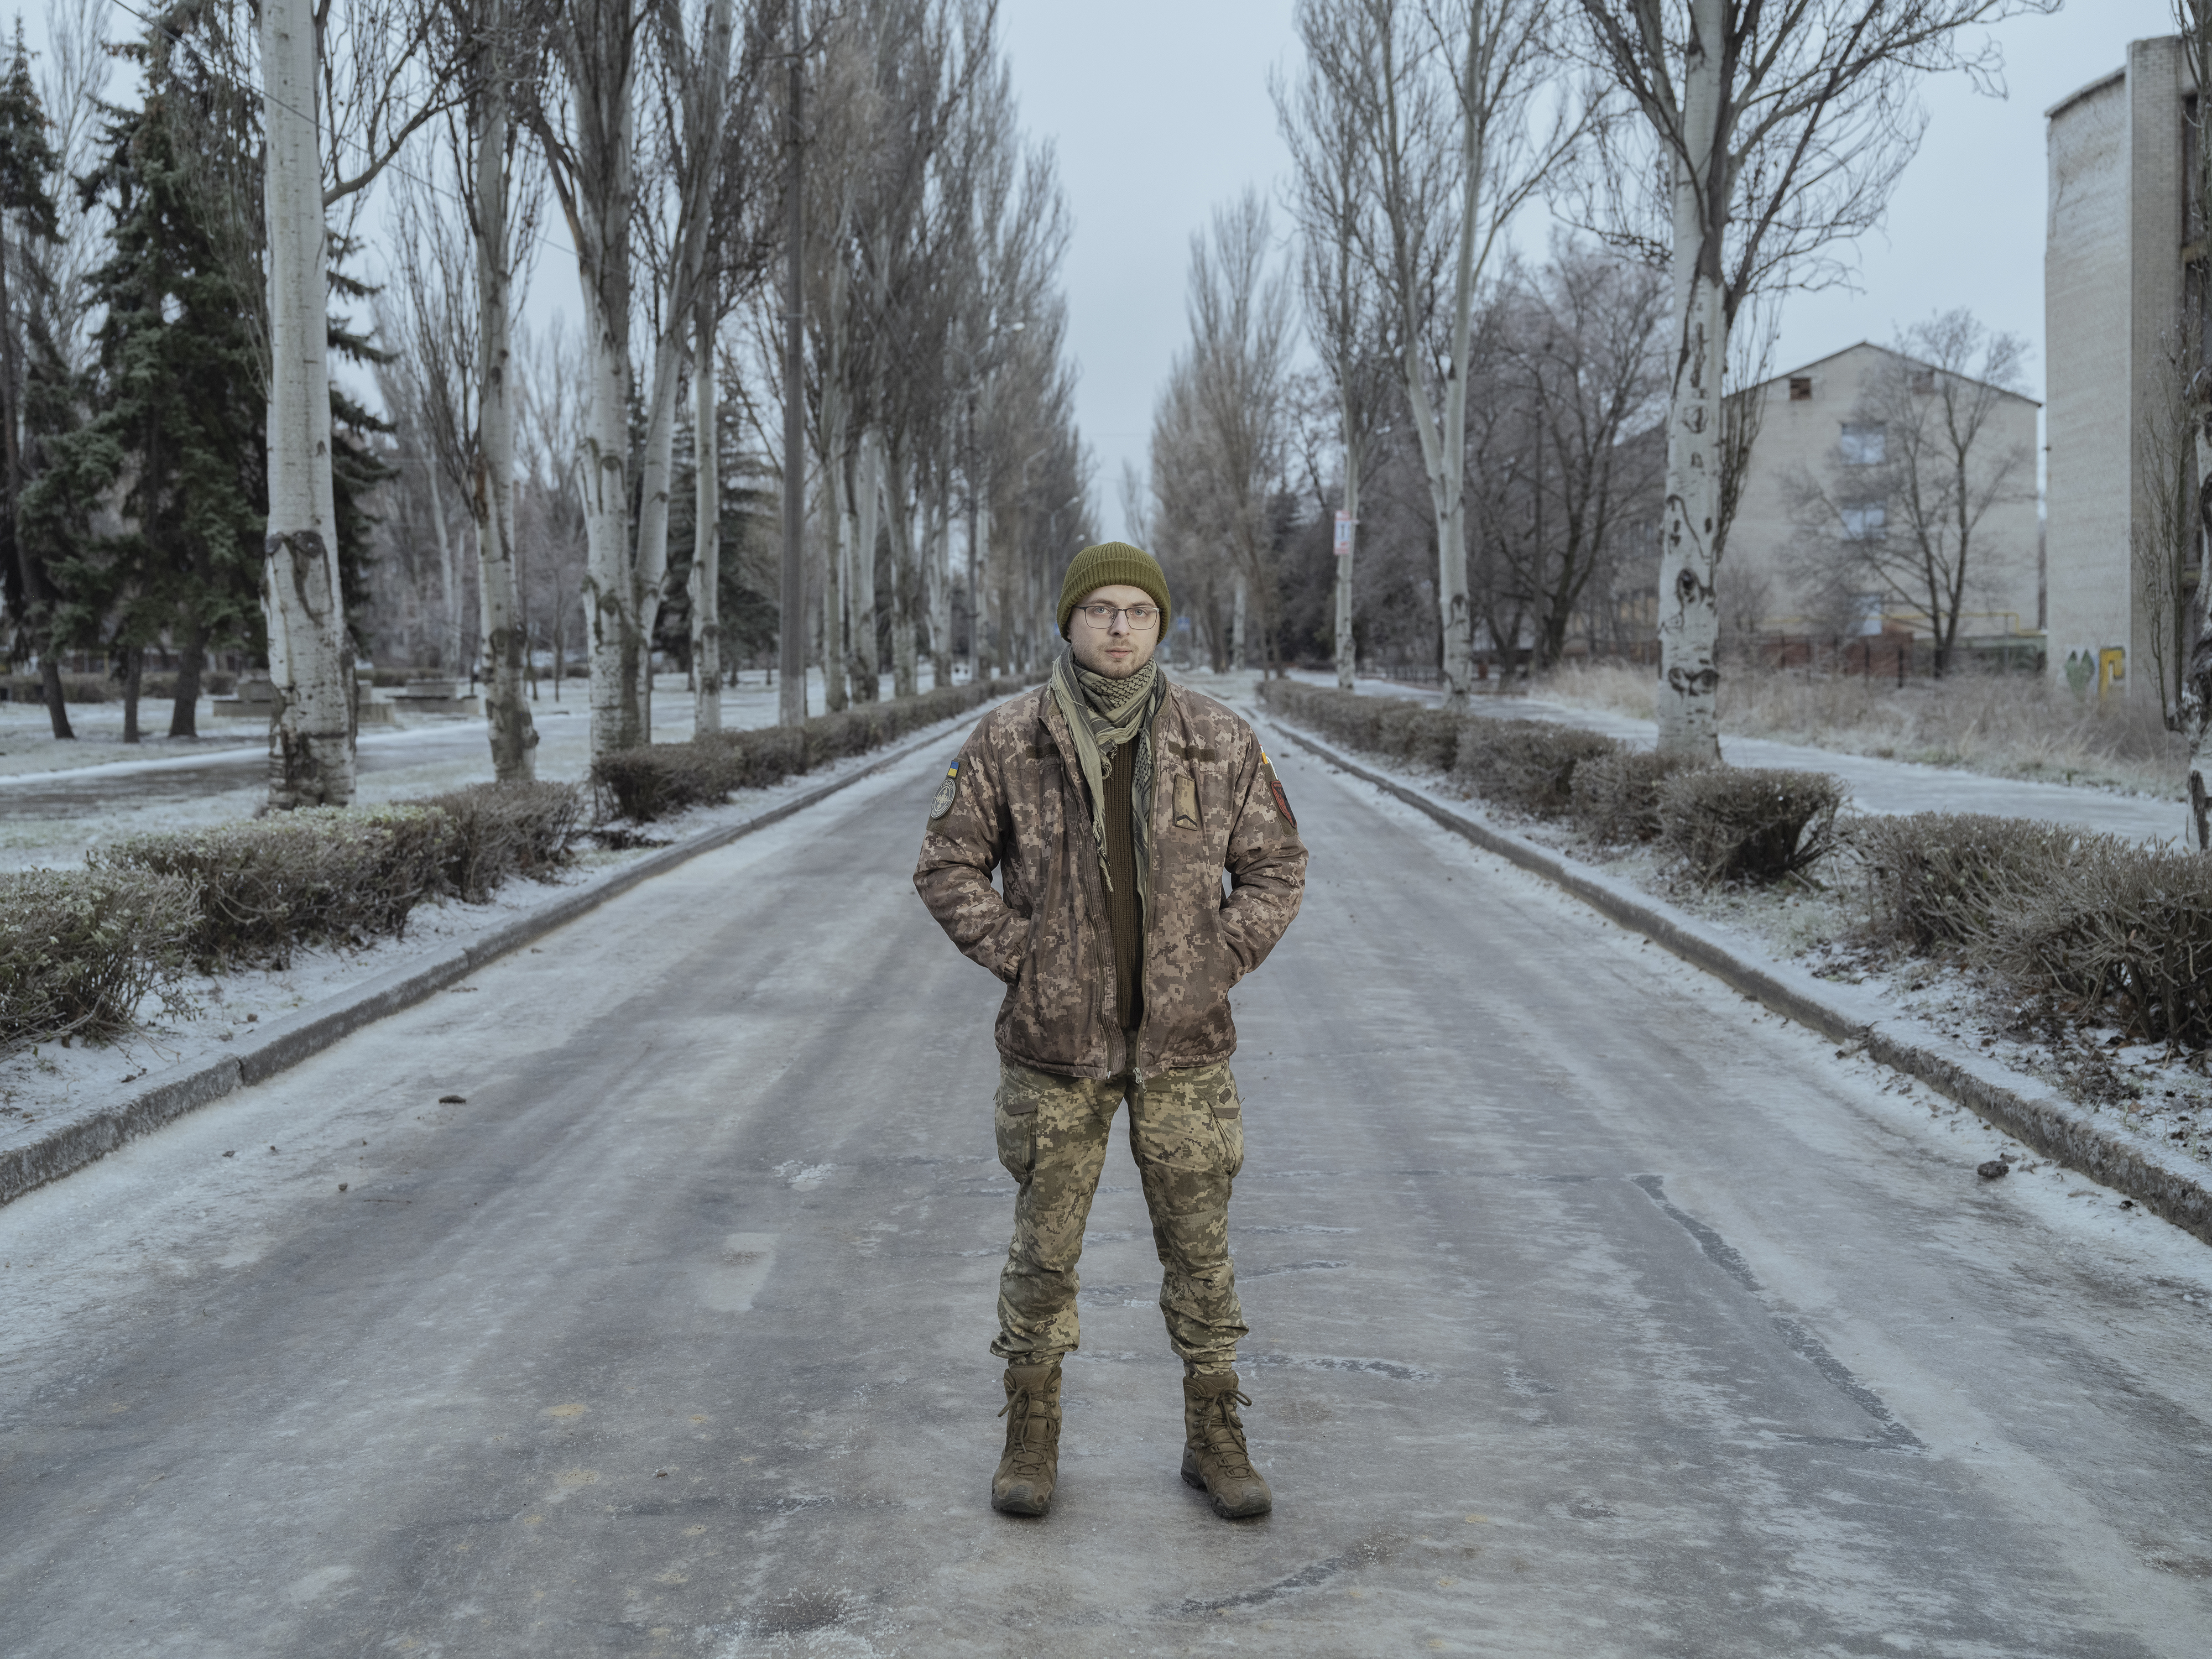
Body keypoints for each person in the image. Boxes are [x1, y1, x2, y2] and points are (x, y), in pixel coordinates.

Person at [914, 541, 1308, 1521]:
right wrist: (1024, 955)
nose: (1121, 627)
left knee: (1201, 1251)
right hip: (1057, 1052)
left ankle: (1214, 1432)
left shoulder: (1218, 738)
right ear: (1071, 623)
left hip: (1184, 1050)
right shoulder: (1012, 739)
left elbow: (1277, 868)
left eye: (1138, 610)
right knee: (1043, 1256)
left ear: (1162, 623)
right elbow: (947, 866)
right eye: (1102, 611)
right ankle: (1031, 1433)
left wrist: (1213, 959)